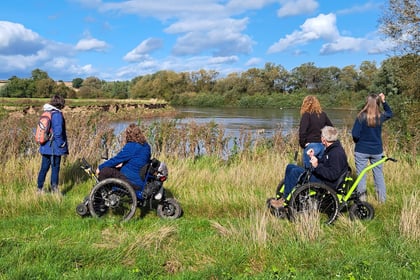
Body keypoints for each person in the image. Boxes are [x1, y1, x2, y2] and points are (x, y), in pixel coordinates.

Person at [270, 126, 348, 208]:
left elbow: (332, 175)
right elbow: (324, 163)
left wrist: (317, 166)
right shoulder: (330, 149)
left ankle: (285, 201)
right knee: (290, 167)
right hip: (321, 176)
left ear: (324, 139)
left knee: (295, 172)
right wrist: (314, 157)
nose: (320, 138)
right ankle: (284, 196)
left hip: (326, 183)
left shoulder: (336, 153)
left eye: (321, 136)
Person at [351, 92, 393, 203]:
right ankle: (382, 200)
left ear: (367, 102)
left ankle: (362, 201)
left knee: (361, 176)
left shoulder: (360, 116)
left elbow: (355, 134)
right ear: (377, 103)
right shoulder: (380, 116)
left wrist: (358, 142)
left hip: (361, 150)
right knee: (378, 175)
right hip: (376, 150)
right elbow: (389, 113)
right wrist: (384, 101)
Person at [96, 123, 151, 189]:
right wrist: (123, 164)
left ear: (128, 135)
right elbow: (138, 161)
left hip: (132, 181)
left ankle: (101, 195)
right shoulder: (146, 146)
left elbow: (116, 159)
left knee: (105, 171)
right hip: (140, 180)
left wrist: (100, 167)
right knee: (113, 169)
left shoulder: (131, 146)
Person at [37, 95, 69, 194]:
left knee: (43, 168)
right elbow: (58, 132)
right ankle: (55, 191)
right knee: (55, 169)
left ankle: (39, 189)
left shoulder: (47, 112)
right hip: (54, 148)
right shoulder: (57, 115)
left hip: (45, 145)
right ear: (61, 104)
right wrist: (62, 144)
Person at [298, 95, 333, 168]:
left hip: (311, 145)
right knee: (320, 169)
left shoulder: (306, 115)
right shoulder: (323, 114)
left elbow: (302, 131)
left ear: (305, 104)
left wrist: (303, 144)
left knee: (308, 170)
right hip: (322, 145)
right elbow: (331, 128)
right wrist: (326, 141)